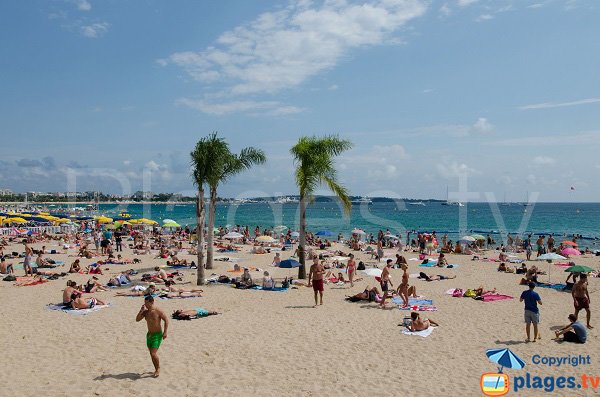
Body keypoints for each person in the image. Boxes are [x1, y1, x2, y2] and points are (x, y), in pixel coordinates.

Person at [136, 295, 169, 377]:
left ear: (152, 302)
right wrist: (141, 311)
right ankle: (156, 369)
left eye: (147, 303)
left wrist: (165, 332)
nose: (145, 305)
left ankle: (158, 369)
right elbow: (137, 319)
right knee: (151, 354)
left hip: (157, 335)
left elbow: (166, 320)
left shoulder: (158, 311)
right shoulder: (145, 312)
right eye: (145, 303)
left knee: (153, 354)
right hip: (149, 335)